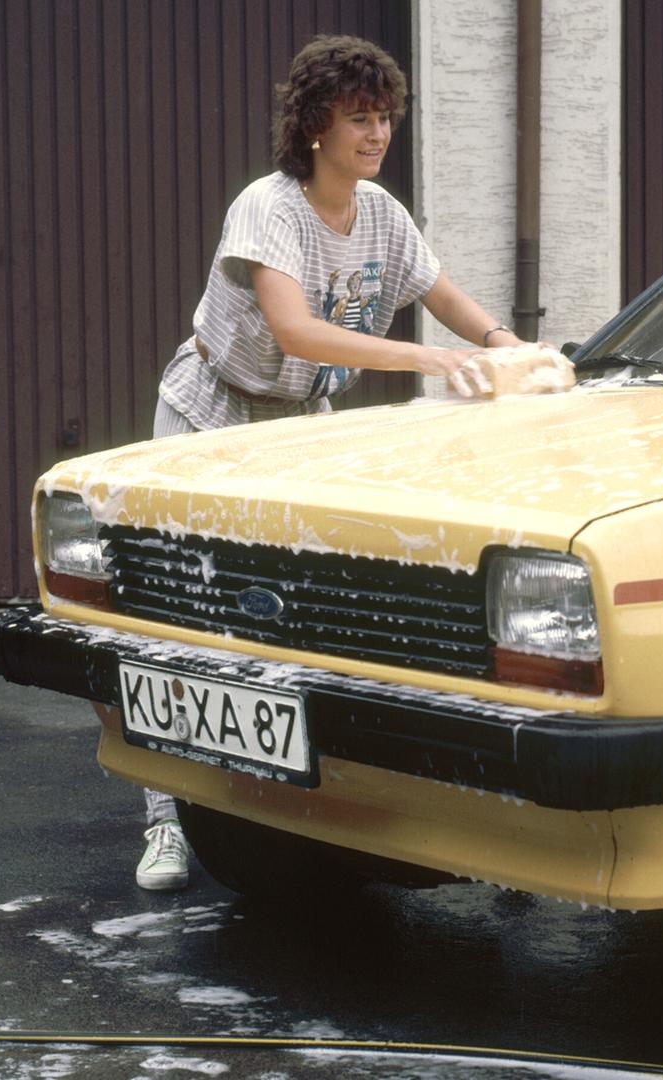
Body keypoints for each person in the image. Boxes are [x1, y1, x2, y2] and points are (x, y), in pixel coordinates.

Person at [135, 33, 539, 891]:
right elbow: (295, 331)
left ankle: (284, 803)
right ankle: (166, 819)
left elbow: (448, 300)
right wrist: (430, 364)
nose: (377, 132)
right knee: (176, 612)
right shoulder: (267, 208)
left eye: (385, 116)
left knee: (289, 611)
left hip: (296, 423)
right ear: (316, 125)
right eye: (360, 117)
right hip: (213, 410)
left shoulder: (383, 215)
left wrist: (511, 349)